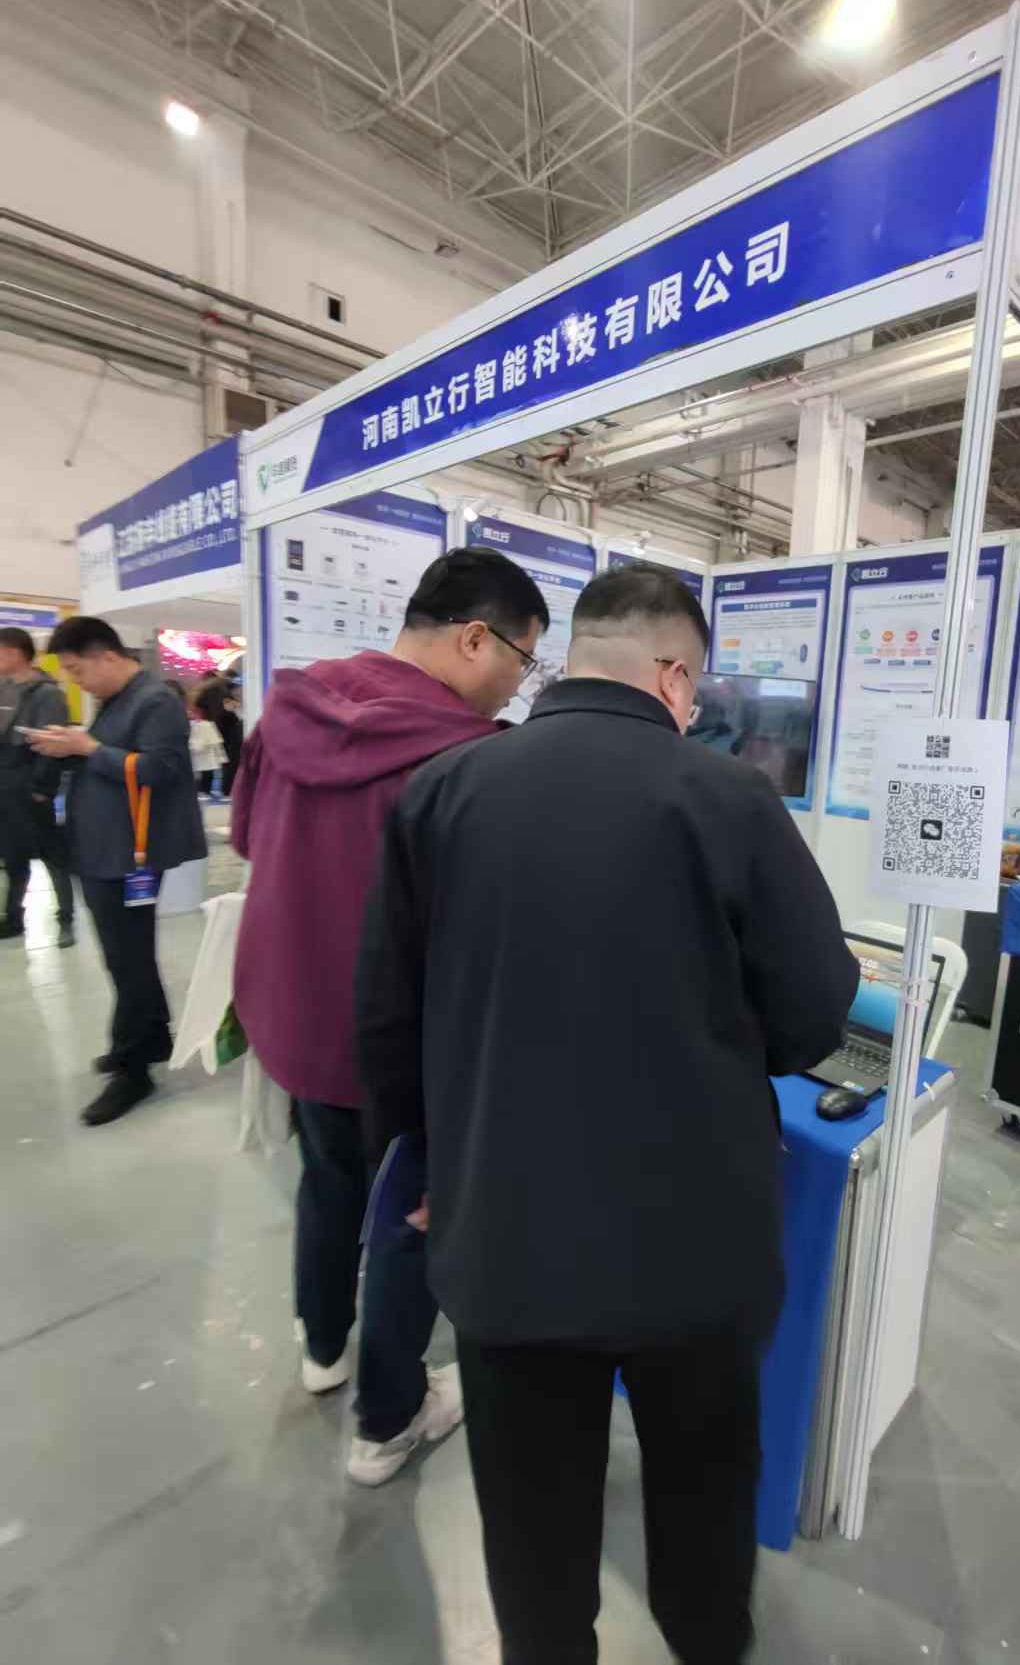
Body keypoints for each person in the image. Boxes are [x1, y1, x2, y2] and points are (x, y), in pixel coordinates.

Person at [357, 564, 858, 1662]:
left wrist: (429, 1172)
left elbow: (386, 1021)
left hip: (507, 1239)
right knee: (702, 1502)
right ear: (676, 675)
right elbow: (814, 1012)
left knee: (531, 1534)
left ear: (574, 655)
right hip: (694, 1246)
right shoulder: (730, 800)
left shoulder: (442, 792)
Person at [232, 547, 549, 1488]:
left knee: (327, 1183)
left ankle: (322, 1348)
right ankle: (388, 1421)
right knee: (414, 1218)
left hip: (293, 1018)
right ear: (474, 639)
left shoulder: (289, 711)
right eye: (522, 659)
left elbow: (248, 840)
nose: (519, 684)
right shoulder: (468, 762)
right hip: (402, 1046)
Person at [30, 617, 206, 1126]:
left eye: (77, 670)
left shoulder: (155, 700)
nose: (76, 681)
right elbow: (117, 758)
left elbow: (159, 769)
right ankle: (151, 1037)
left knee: (127, 958)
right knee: (126, 954)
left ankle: (133, 1071)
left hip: (130, 856)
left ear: (106, 655)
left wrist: (87, 749)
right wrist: (73, 747)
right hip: (106, 848)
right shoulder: (117, 699)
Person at [0, 627, 76, 947]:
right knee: (13, 854)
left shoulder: (47, 694)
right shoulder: (5, 688)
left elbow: (53, 746)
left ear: (15, 652)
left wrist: (42, 788)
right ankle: (13, 917)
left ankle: (66, 919)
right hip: (5, 782)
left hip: (29, 782)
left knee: (50, 854)